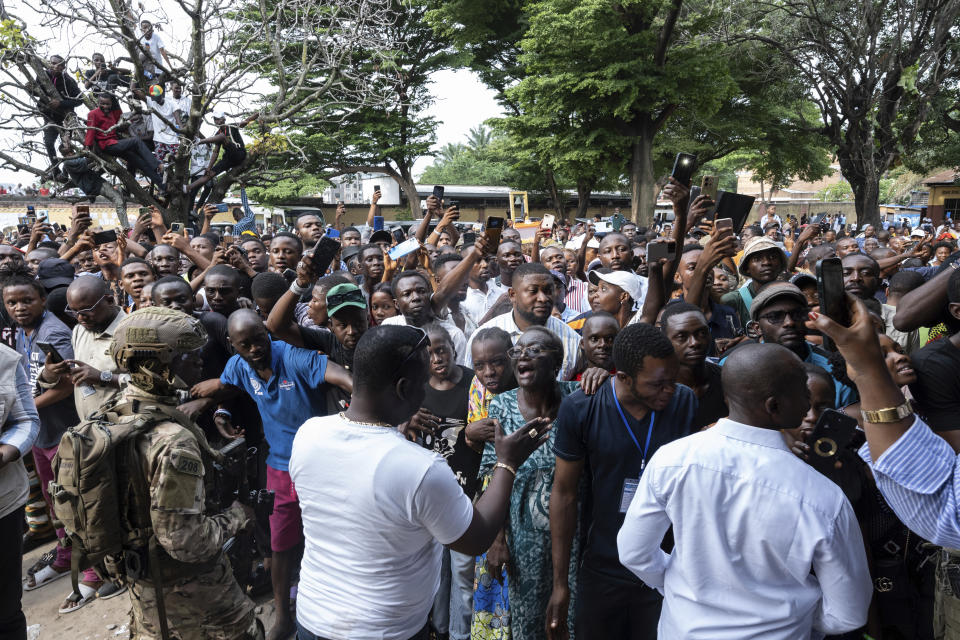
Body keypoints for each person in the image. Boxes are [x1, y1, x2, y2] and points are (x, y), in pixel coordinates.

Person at [289, 325, 550, 640]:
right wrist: (506, 463)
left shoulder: (309, 433)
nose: (427, 389)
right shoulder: (420, 467)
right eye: (422, 382)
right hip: (384, 630)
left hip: (312, 617)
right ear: (403, 388)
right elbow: (477, 538)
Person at [617, 342, 872, 638]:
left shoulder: (672, 460)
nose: (808, 404)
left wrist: (682, 588)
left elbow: (634, 553)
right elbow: (848, 613)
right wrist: (796, 614)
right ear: (773, 406)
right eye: (803, 392)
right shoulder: (822, 497)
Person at [49, 307, 261, 638]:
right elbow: (185, 540)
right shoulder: (172, 442)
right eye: (190, 356)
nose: (200, 362)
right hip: (196, 596)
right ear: (158, 366)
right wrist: (238, 516)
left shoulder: (114, 416)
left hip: (146, 589)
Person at [190, 309, 350, 640]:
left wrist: (361, 396)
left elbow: (341, 376)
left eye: (259, 340)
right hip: (280, 467)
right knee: (281, 545)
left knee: (336, 539)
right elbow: (226, 385)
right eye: (244, 344)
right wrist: (208, 404)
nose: (255, 349)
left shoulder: (292, 356)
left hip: (321, 465)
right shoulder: (238, 365)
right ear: (233, 346)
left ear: (268, 334)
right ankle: (284, 617)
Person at [549, 322, 697, 639]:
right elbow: (563, 495)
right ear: (624, 377)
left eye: (673, 380)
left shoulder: (683, 402)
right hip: (602, 568)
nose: (669, 390)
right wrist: (560, 585)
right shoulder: (581, 407)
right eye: (658, 385)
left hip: (665, 568)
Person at [478, 327, 581, 640]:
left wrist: (601, 374)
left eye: (535, 349)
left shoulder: (576, 401)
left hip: (573, 536)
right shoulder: (501, 406)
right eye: (518, 350)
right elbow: (491, 473)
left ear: (556, 364)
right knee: (529, 624)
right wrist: (497, 539)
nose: (523, 355)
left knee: (570, 621)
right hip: (522, 537)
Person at [410, 324, 481, 640]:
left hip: (468, 496)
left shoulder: (473, 383)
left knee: (465, 570)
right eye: (429, 354)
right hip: (430, 499)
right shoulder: (413, 389)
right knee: (436, 570)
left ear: (454, 348)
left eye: (442, 350)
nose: (437, 358)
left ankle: (460, 632)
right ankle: (439, 628)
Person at [732, 281, 857, 409]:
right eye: (775, 316)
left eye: (797, 314)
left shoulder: (836, 371)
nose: (789, 322)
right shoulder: (737, 368)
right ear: (757, 328)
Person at [466, 263, 582, 381]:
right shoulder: (481, 339)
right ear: (512, 295)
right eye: (533, 291)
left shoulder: (572, 339)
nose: (543, 298)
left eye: (548, 291)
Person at [0, 340, 40, 640]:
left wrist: (6, 452)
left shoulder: (6, 361)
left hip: (3, 503)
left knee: (6, 611)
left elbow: (25, 420)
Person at [660, 302, 727, 428]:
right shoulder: (655, 390)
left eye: (701, 333)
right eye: (682, 337)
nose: (694, 342)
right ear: (665, 340)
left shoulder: (728, 380)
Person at [84, 93, 165, 189]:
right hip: (107, 145)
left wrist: (114, 97)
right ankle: (157, 165)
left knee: (141, 163)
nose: (105, 106)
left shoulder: (112, 113)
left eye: (108, 104)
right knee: (136, 141)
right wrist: (87, 148)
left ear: (111, 104)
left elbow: (118, 111)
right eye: (102, 104)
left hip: (116, 144)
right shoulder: (92, 114)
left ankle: (163, 186)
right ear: (98, 102)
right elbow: (90, 131)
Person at [721, 236, 787, 327]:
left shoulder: (789, 296)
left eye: (773, 257)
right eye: (757, 259)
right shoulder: (733, 300)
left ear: (780, 264)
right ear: (747, 268)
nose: (766, 262)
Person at [38, 55, 83, 176]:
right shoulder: (42, 75)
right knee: (48, 143)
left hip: (65, 118)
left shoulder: (68, 80)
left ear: (63, 67)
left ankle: (66, 173)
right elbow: (37, 91)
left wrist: (61, 103)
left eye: (59, 64)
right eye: (52, 63)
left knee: (66, 147)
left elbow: (80, 100)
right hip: (49, 117)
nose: (55, 66)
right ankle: (55, 170)